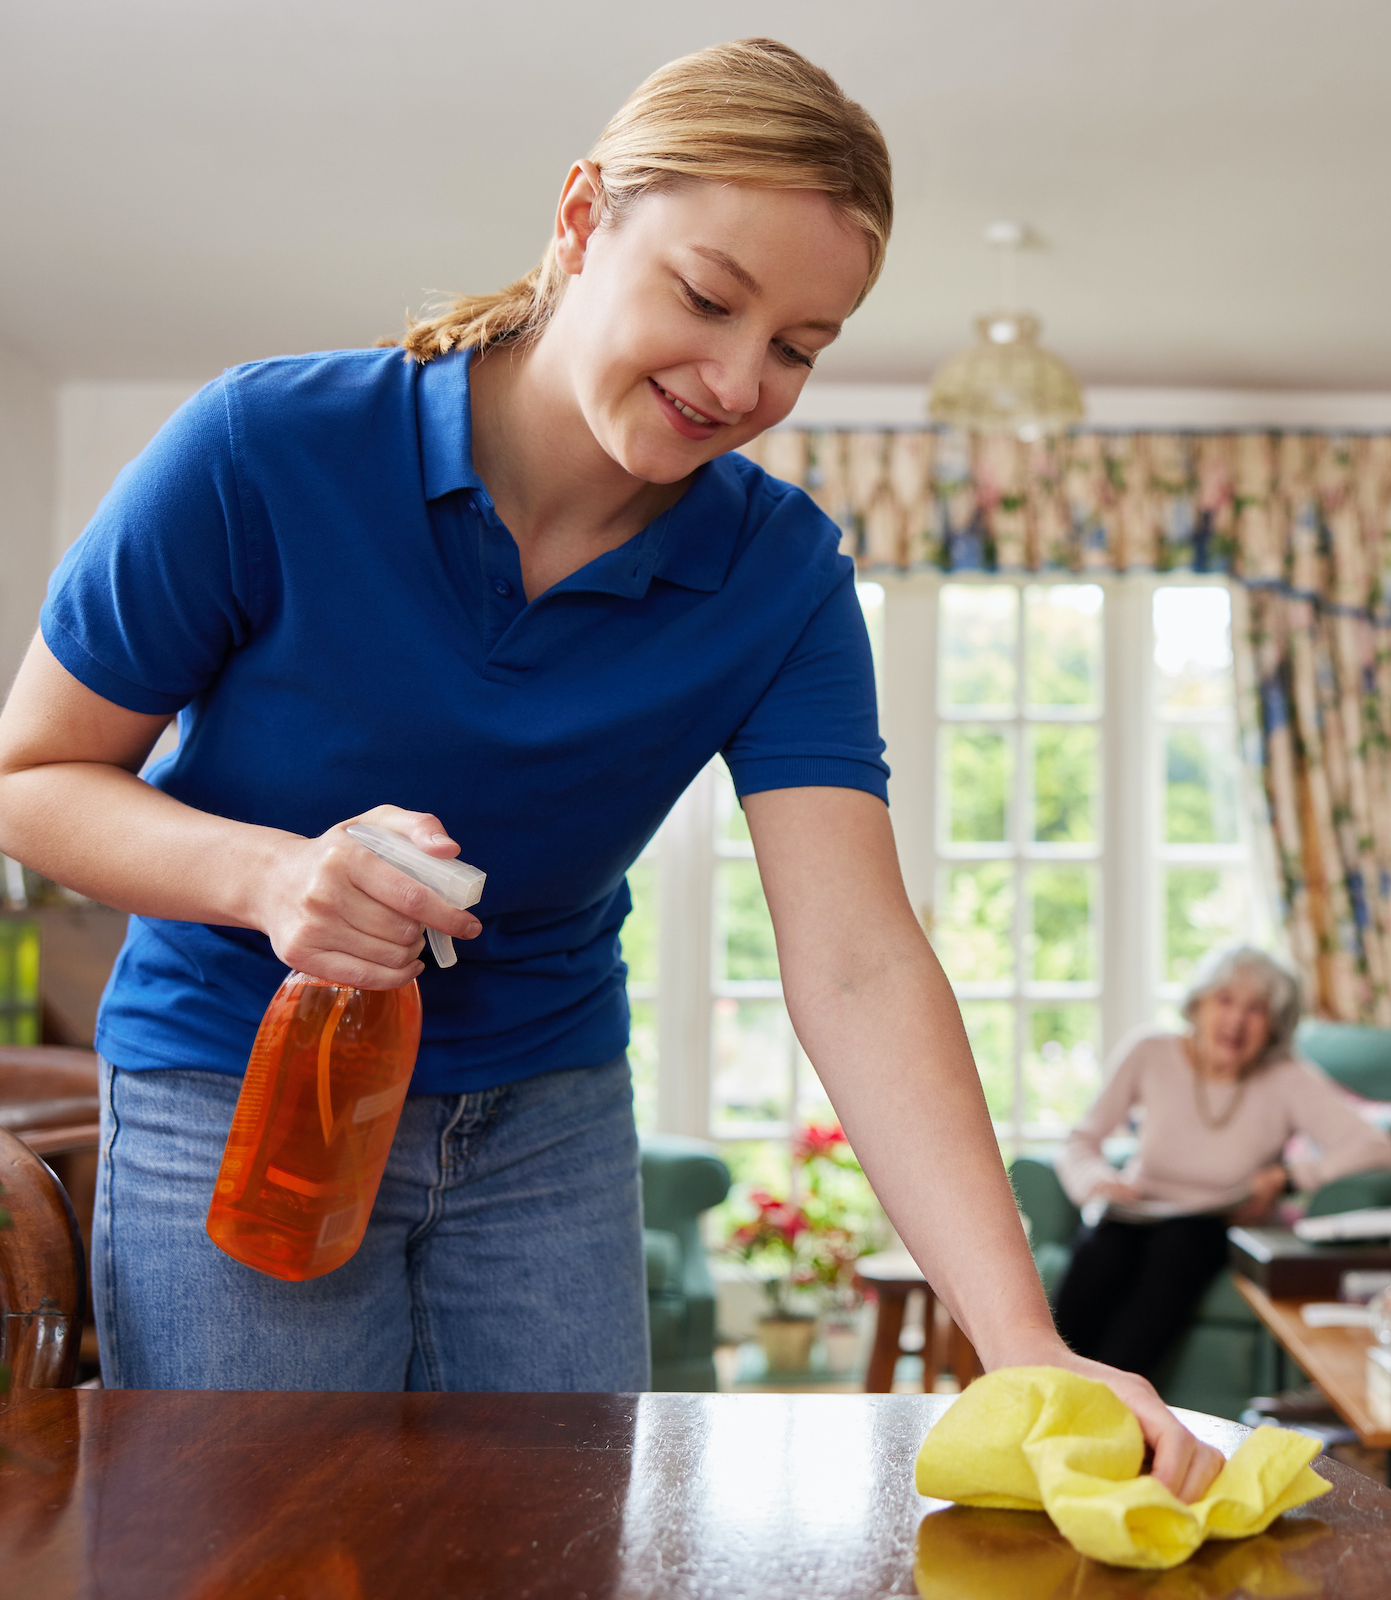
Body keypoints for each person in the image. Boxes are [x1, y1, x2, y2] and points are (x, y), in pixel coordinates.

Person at [0, 38, 1223, 1500]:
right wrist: (269, 875)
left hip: (546, 1115)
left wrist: (1025, 1343)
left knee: (555, 1549)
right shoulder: (267, 448)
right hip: (237, 1091)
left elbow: (855, 963)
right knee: (262, 1545)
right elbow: (33, 776)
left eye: (799, 347)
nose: (737, 379)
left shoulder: (776, 574)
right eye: (708, 298)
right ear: (582, 220)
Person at [1052, 945, 1391, 1377]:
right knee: (1102, 1248)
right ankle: (1042, 1387)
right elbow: (1079, 1140)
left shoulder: (1287, 1077)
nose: (1236, 1020)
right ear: (1198, 1005)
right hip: (1138, 1210)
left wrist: (1290, 1177)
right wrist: (1098, 1181)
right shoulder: (1150, 1052)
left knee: (1177, 1246)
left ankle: (1111, 1406)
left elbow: (1377, 1148)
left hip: (1217, 1224)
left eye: (1256, 1009)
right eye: (1225, 1000)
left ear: (1275, 1026)